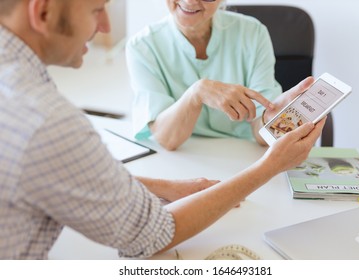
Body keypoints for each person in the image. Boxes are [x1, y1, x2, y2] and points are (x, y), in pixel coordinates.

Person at [0, 0, 325, 260]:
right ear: (42, 12)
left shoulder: (29, 108)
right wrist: (270, 166)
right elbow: (150, 235)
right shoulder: (48, 122)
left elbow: (63, 171)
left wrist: (165, 186)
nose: (106, 28)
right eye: (97, 10)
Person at [127, 0, 294, 150]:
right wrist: (196, 93)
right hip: (186, 156)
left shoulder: (253, 33)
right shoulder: (143, 47)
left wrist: (277, 120)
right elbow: (166, 138)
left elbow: (262, 131)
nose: (190, 1)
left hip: (243, 153)